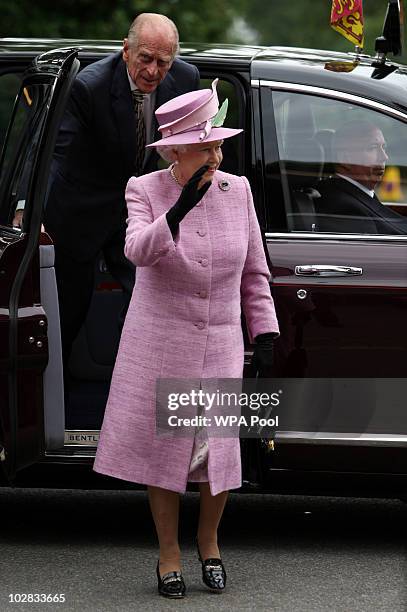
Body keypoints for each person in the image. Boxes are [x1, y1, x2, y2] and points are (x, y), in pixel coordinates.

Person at [93, 79, 280, 598]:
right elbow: (136, 251)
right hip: (162, 339)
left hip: (220, 340)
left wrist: (263, 329)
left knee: (214, 453)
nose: (218, 154)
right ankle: (169, 554)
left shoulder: (236, 189)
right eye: (207, 145)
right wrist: (175, 214)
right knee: (168, 451)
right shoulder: (144, 189)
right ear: (175, 149)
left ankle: (210, 542)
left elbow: (255, 272)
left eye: (219, 144)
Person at [43, 13, 200, 370]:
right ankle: (54, 408)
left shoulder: (186, 78)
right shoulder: (89, 86)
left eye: (163, 62)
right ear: (126, 50)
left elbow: (193, 143)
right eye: (145, 58)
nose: (153, 71)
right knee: (67, 314)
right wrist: (29, 208)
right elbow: (57, 153)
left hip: (137, 209)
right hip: (82, 208)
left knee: (147, 301)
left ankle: (127, 382)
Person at [314, 120, 407, 234]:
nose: (384, 157)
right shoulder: (345, 208)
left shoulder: (357, 194)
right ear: (344, 158)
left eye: (383, 147)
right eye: (372, 148)